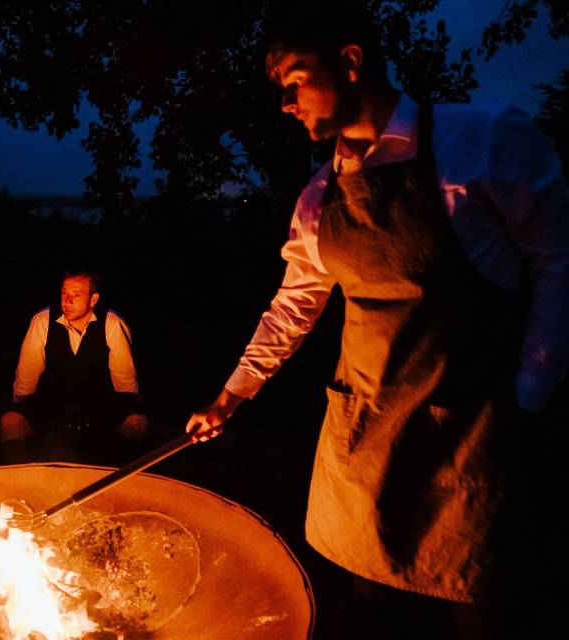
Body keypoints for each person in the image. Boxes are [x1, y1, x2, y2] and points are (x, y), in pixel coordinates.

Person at [186, 3, 568, 639]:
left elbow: (558, 265)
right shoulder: (319, 197)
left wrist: (532, 394)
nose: (285, 103)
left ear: (352, 62)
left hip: (468, 438)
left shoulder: (485, 142)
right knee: (374, 611)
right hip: (365, 438)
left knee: (481, 612)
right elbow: (292, 308)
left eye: (294, 81)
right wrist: (230, 397)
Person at [0, 269, 149, 464]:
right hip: (53, 404)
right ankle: (20, 483)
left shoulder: (111, 323)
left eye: (76, 295)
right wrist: (21, 409)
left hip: (99, 406)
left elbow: (125, 384)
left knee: (137, 424)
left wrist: (130, 410)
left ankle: (117, 481)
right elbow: (26, 377)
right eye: (64, 293)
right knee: (10, 422)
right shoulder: (43, 320)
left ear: (93, 299)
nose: (67, 301)